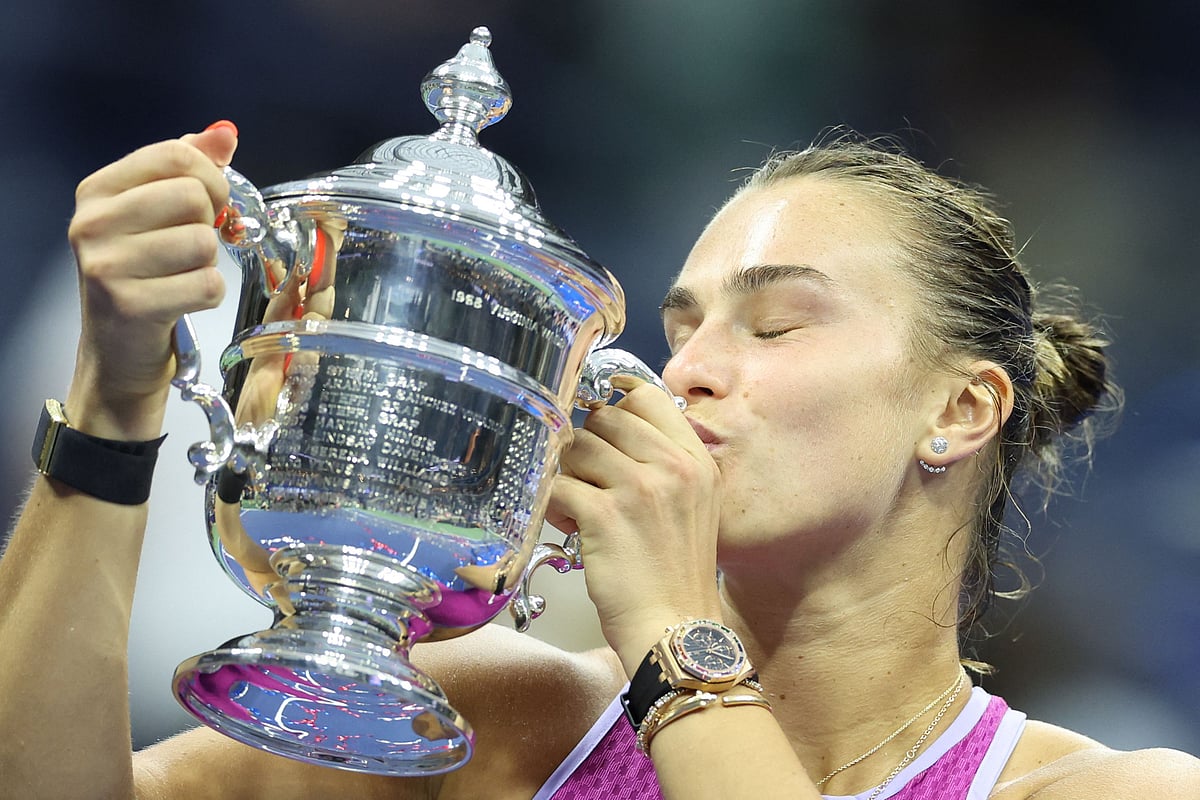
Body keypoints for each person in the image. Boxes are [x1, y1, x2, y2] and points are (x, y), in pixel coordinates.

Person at [0, 120, 1197, 800]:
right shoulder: (499, 711)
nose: (690, 374)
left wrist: (674, 627)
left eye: (776, 325)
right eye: (682, 332)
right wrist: (113, 400)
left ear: (961, 408)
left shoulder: (1116, 791)